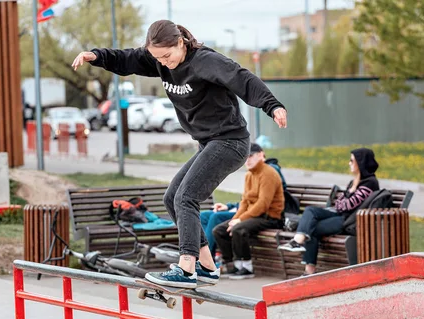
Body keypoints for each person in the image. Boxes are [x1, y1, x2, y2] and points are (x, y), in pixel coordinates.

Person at [72, 20, 287, 288]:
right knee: (172, 197)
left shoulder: (206, 61)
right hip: (209, 143)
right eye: (157, 58)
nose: (164, 63)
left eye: (167, 56)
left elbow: (242, 78)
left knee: (187, 197)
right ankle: (207, 265)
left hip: (230, 142)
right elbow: (128, 59)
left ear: (181, 43)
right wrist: (97, 56)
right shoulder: (160, 59)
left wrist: (272, 105)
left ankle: (187, 268)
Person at [277, 148, 379, 275]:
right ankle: (298, 241)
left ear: (361, 162)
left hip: (349, 221)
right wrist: (343, 203)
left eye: (352, 160)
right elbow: (341, 202)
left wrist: (343, 204)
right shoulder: (354, 182)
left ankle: (308, 270)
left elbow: (349, 204)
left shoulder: (370, 183)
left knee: (311, 228)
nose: (349, 163)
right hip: (340, 214)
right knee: (310, 210)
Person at [212, 143, 285, 280]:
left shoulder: (268, 173)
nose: (248, 160)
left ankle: (247, 267)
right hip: (254, 216)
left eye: (251, 156)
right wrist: (235, 219)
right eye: (246, 157)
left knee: (239, 228)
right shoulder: (249, 175)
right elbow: (244, 202)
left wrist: (240, 220)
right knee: (220, 230)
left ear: (260, 155)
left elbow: (263, 204)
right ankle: (232, 265)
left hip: (270, 217)